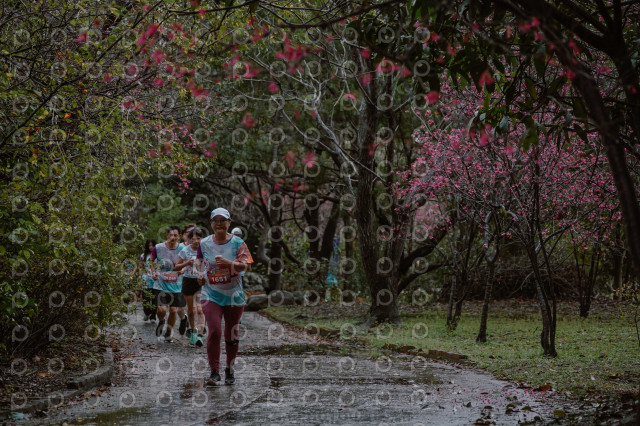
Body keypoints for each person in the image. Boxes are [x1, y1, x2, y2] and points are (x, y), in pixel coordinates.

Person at [197, 208, 253, 386]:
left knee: (232, 334)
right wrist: (199, 273)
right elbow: (199, 261)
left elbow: (247, 266)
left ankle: (230, 368)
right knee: (214, 330)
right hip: (210, 294)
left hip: (233, 296)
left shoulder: (238, 243)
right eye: (216, 220)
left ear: (229, 222)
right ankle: (214, 371)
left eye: (223, 220)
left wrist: (229, 263)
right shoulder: (204, 243)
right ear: (211, 223)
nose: (219, 223)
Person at [151, 226, 186, 342]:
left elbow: (187, 263)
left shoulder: (182, 248)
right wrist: (153, 272)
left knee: (173, 310)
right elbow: (151, 261)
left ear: (179, 237)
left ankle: (169, 331)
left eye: (175, 235)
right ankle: (161, 321)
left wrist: (182, 270)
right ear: (167, 235)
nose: (172, 237)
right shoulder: (158, 247)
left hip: (176, 285)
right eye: (170, 235)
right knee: (161, 310)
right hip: (160, 283)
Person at [176, 227, 205, 347]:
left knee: (200, 309)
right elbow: (177, 266)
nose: (196, 241)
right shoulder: (185, 250)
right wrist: (187, 263)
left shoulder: (205, 249)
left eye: (198, 238)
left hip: (201, 281)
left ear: (202, 238)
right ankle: (193, 331)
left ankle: (200, 336)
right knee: (191, 310)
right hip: (188, 280)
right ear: (190, 239)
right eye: (193, 239)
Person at [177, 223, 196, 336]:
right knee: (180, 309)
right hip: (180, 282)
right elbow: (176, 263)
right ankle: (184, 319)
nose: (191, 235)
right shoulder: (180, 247)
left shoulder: (199, 247)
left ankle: (192, 329)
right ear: (184, 235)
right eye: (189, 233)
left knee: (195, 308)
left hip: (194, 281)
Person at [139, 239, 157, 322]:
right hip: (145, 279)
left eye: (152, 245)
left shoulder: (157, 255)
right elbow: (140, 267)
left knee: (154, 298)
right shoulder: (143, 256)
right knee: (145, 297)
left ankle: (153, 316)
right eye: (149, 245)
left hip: (155, 279)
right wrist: (139, 277)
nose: (151, 247)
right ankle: (147, 312)